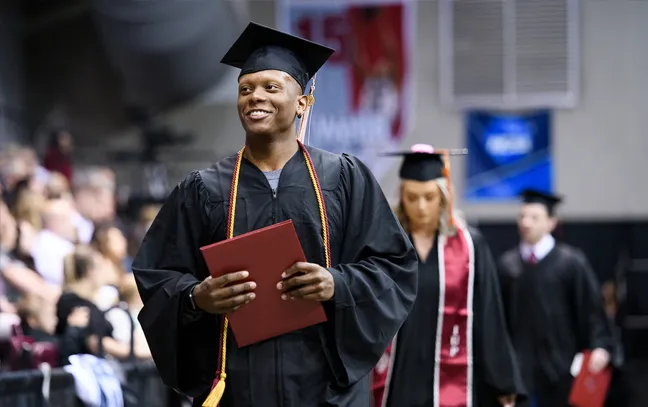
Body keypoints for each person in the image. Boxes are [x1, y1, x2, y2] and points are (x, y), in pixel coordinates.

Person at [132, 22, 418, 407]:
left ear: (302, 102)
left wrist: (338, 283)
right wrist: (197, 297)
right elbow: (157, 273)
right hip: (241, 384)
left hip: (327, 387)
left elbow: (395, 265)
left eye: (271, 87)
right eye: (245, 89)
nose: (255, 97)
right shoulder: (204, 188)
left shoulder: (343, 178)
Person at [373, 144, 526, 407]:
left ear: (443, 198)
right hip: (398, 375)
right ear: (401, 197)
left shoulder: (470, 247)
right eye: (412, 197)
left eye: (429, 197)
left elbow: (489, 316)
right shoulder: (383, 245)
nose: (421, 207)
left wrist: (503, 380)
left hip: (451, 372)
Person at [498, 189, 615, 407]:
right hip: (519, 367)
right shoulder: (507, 266)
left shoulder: (570, 263)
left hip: (562, 366)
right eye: (522, 216)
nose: (526, 223)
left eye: (534, 217)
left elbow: (591, 310)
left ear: (551, 222)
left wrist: (600, 345)